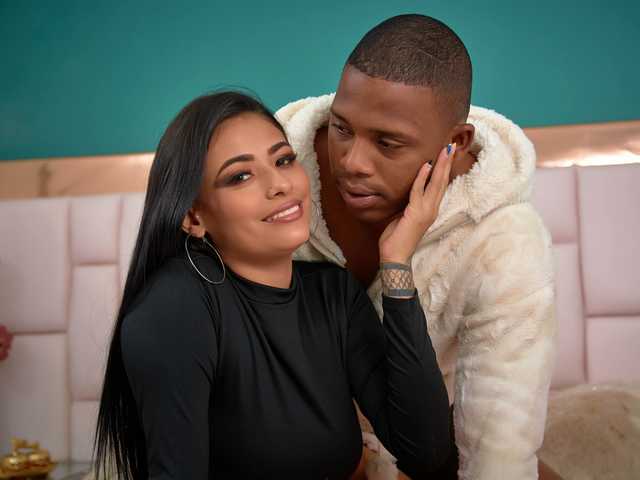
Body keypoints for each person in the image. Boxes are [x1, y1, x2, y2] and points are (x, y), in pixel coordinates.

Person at [93, 91, 456, 480]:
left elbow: (427, 453)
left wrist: (397, 261)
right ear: (194, 217)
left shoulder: (334, 293)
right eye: (240, 176)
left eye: (283, 160)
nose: (280, 184)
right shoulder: (176, 307)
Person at [276, 14, 556, 480]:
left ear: (455, 143)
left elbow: (500, 438)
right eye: (342, 129)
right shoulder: (275, 177)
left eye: (387, 144)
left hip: (424, 446)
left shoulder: (506, 239)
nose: (352, 163)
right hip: (292, 444)